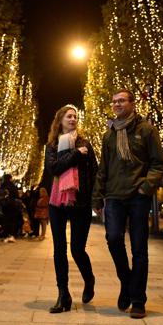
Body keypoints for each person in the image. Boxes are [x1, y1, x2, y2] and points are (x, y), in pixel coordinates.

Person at [92, 89, 163, 319]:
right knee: (113, 239)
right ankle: (127, 282)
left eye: (121, 101)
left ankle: (138, 300)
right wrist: (97, 195)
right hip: (114, 195)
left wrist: (146, 187)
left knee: (139, 249)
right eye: (114, 101)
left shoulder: (146, 130)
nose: (116, 104)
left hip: (138, 196)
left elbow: (159, 163)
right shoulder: (109, 134)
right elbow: (103, 167)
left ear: (132, 104)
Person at [45, 104, 98, 313]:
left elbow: (95, 172)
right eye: (69, 116)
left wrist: (97, 200)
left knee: (77, 249)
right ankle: (63, 294)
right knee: (59, 249)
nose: (73, 119)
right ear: (60, 120)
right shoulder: (51, 145)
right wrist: (76, 154)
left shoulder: (86, 143)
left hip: (81, 201)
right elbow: (54, 168)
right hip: (57, 202)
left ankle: (89, 278)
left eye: (75, 116)